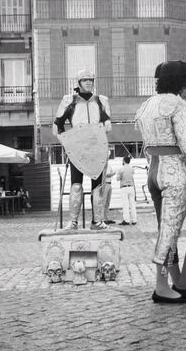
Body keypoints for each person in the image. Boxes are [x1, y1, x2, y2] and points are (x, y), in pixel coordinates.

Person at [135, 60, 186, 304]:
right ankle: (161, 286)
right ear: (181, 81)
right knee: (170, 231)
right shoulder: (178, 105)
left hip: (153, 170)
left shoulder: (146, 105)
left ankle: (178, 281)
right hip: (174, 171)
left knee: (166, 229)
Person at [52, 69, 112, 230]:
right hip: (77, 149)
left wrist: (99, 129)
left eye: (91, 80)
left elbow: (107, 124)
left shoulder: (101, 101)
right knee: (76, 186)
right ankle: (73, 221)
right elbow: (57, 126)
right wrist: (66, 142)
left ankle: (97, 221)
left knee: (98, 187)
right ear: (79, 83)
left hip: (96, 148)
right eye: (85, 80)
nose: (89, 83)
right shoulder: (69, 101)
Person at [116, 156, 137, 226]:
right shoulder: (132, 169)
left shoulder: (121, 169)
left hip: (124, 187)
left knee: (125, 204)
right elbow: (132, 175)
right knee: (132, 204)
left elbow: (117, 179)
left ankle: (126, 220)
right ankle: (134, 220)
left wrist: (120, 175)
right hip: (131, 187)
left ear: (124, 161)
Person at [103, 151, 116, 224]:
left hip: (109, 183)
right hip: (105, 184)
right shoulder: (104, 164)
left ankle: (106, 217)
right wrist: (112, 174)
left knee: (107, 202)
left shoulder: (108, 164)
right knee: (104, 202)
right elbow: (106, 175)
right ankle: (103, 218)